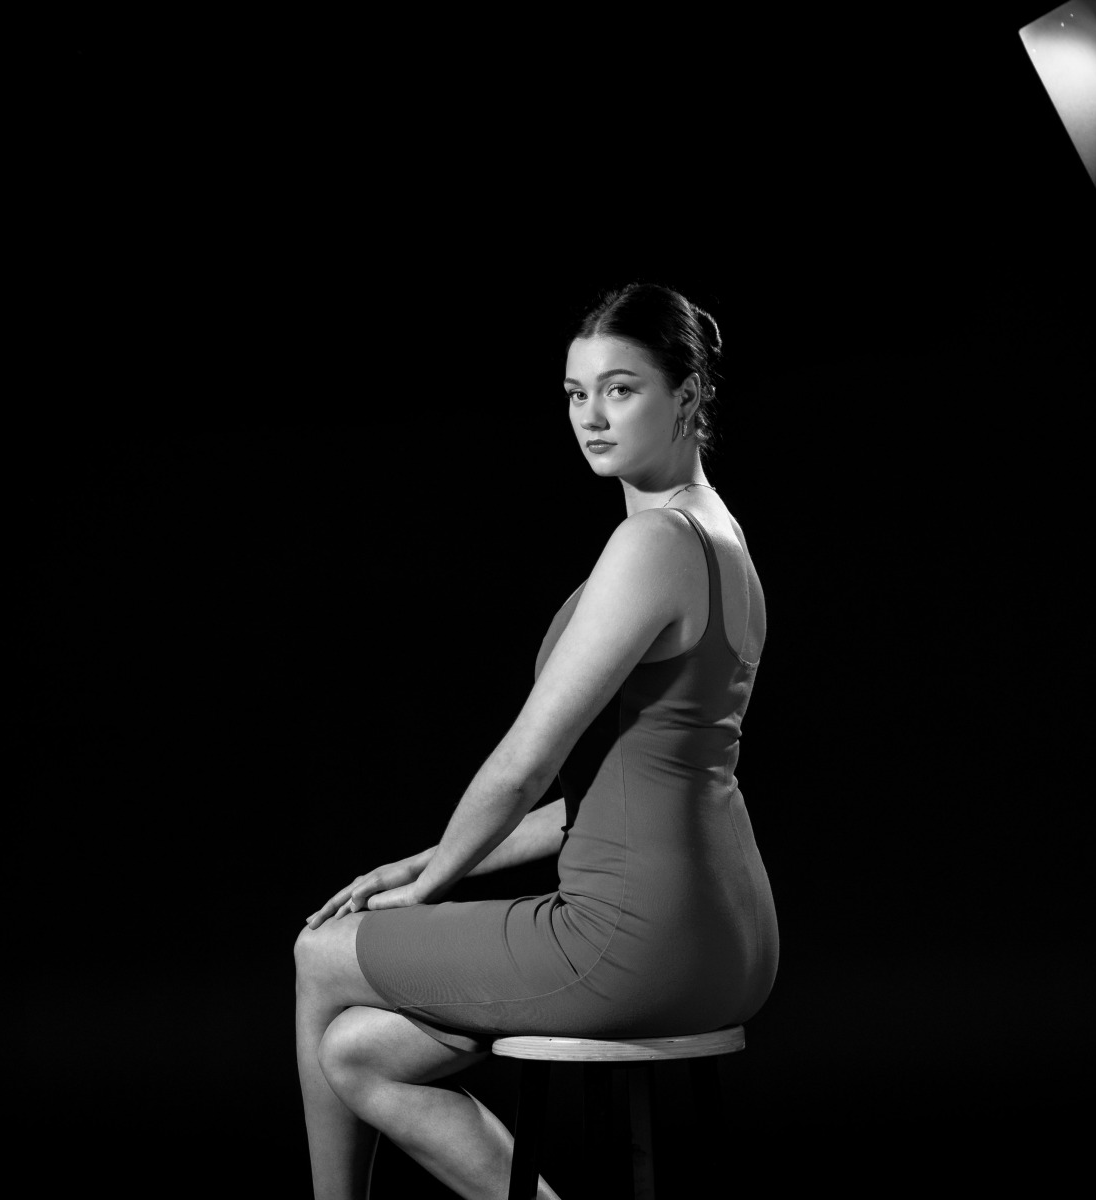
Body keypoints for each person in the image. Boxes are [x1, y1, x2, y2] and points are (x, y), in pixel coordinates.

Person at [293, 282, 779, 1199]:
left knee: (320, 954)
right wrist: (427, 862)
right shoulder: (721, 533)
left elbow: (526, 765)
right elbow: (611, 791)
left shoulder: (654, 543)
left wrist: (428, 892)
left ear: (687, 395)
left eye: (621, 389)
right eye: (574, 393)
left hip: (635, 938)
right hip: (732, 937)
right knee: (357, 1052)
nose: (591, 417)